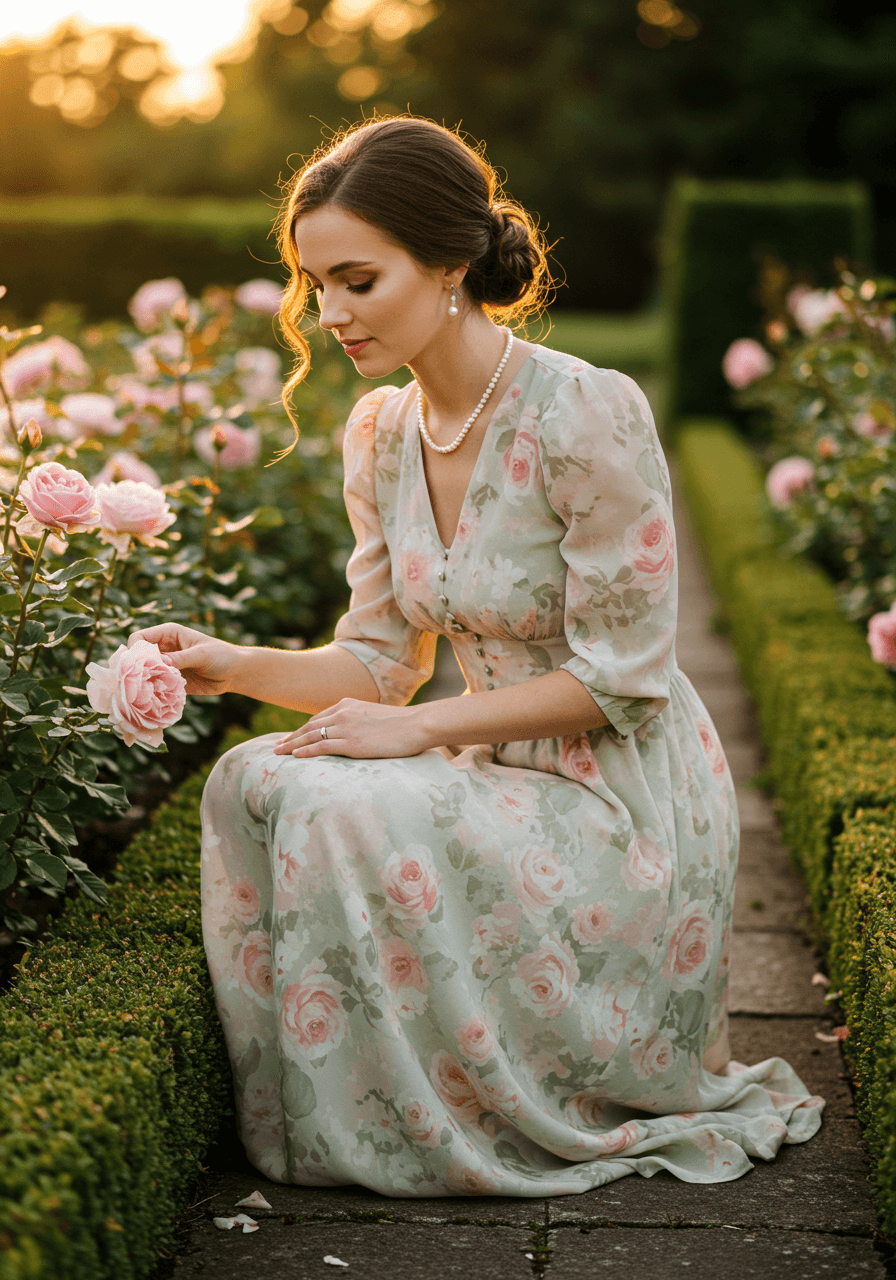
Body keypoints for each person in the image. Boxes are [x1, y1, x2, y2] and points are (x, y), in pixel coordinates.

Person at [130, 116, 823, 1197]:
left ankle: (432, 1116)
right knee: (252, 775)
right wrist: (233, 661)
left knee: (337, 803)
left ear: (449, 263)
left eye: (358, 279)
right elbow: (376, 659)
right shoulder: (379, 431)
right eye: (317, 287)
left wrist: (415, 729)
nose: (332, 313)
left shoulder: (584, 410)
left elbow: (619, 677)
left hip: (622, 799)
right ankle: (356, 1111)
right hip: (493, 771)